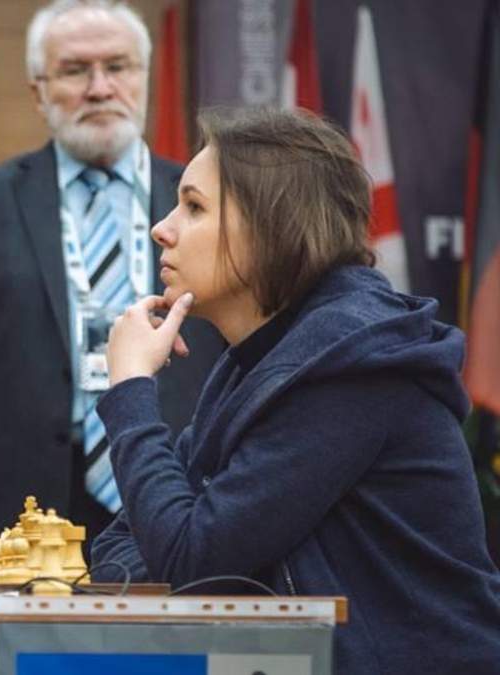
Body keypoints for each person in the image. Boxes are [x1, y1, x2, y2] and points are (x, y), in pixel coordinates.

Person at [90, 107, 500, 672]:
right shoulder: (259, 361)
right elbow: (121, 548)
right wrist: (180, 555)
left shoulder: (349, 362)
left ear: (272, 227)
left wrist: (132, 386)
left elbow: (188, 560)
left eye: (194, 207)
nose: (163, 227)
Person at [0, 0, 223, 546]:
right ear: (39, 92)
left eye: (117, 66)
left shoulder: (210, 205)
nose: (100, 88)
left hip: (179, 491)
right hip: (17, 505)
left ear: (144, 77)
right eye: (75, 70)